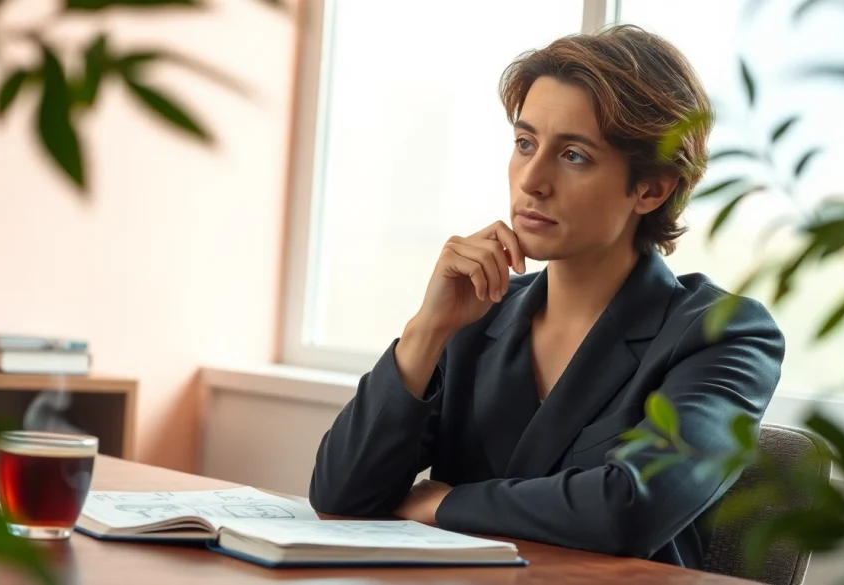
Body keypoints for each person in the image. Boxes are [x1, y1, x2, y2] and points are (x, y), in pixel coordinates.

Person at [307, 24, 785, 570]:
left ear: (651, 189)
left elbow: (629, 509)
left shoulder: (723, 332)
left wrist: (446, 503)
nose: (531, 180)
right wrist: (426, 331)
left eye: (574, 155)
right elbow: (340, 494)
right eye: (525, 144)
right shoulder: (475, 315)